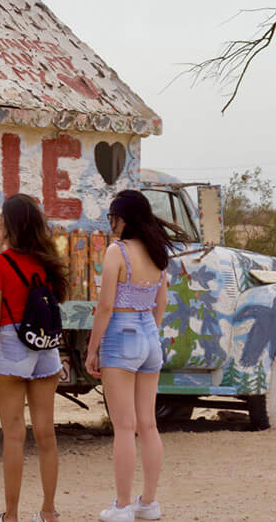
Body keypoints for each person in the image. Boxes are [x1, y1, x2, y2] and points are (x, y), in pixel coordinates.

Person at [85, 190, 177, 522]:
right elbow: (160, 304)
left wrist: (92, 348)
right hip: (150, 336)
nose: (112, 224)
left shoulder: (117, 252)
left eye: (113, 218)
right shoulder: (158, 253)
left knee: (124, 427)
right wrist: (147, 334)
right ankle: (148, 503)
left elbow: (106, 307)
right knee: (147, 425)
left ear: (125, 219)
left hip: (121, 335)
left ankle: (122, 506)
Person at [0, 194, 67, 522]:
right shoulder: (48, 262)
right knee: (46, 433)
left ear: (12, 225)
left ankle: (12, 516)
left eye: (2, 220)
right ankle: (48, 512)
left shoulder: (0, 263)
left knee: (14, 435)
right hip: (46, 347)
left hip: (11, 345)